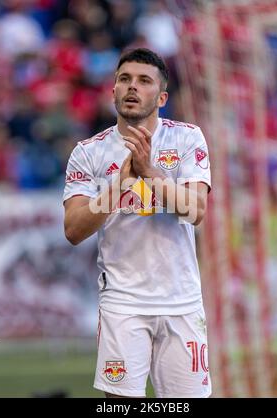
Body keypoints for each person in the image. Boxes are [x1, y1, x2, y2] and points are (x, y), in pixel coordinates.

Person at [63, 48, 212, 398]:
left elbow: (196, 211)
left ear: (161, 97)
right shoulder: (88, 152)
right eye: (124, 79)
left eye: (144, 81)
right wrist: (118, 185)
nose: (132, 87)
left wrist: (149, 172)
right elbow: (73, 230)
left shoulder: (187, 138)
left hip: (182, 301)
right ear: (112, 90)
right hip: (123, 302)